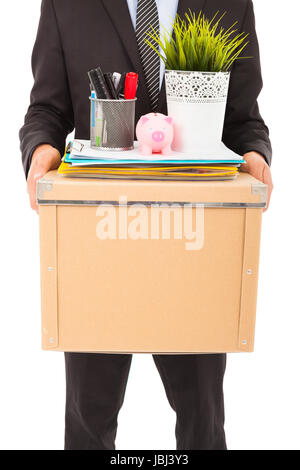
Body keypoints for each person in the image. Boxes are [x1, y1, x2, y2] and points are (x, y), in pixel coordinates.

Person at [19, 0, 273, 450]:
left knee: (203, 418)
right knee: (87, 420)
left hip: (196, 244)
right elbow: (47, 110)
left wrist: (255, 157)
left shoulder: (230, 2)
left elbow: (242, 120)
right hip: (98, 240)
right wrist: (40, 153)